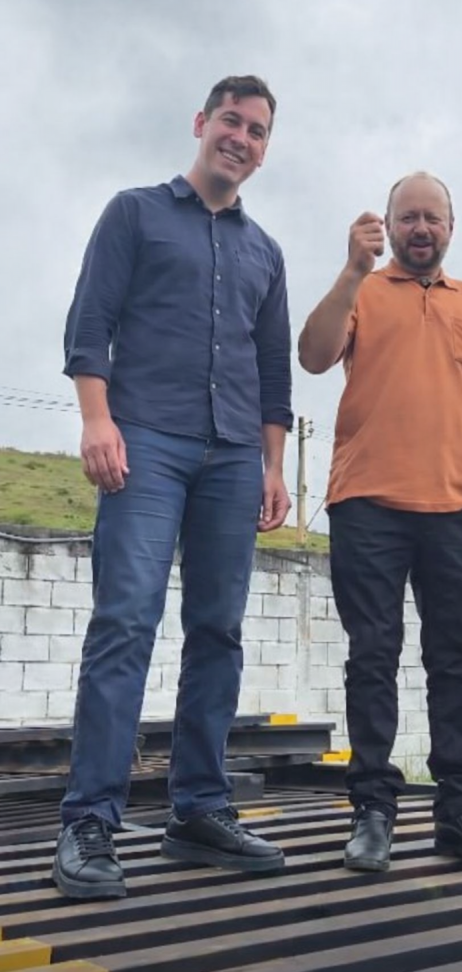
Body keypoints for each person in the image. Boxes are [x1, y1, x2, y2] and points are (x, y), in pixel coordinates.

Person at [54, 75, 293, 900]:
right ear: (201, 123)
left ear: (264, 149)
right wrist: (97, 421)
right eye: (231, 120)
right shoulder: (134, 213)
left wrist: (272, 466)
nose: (241, 138)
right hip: (146, 443)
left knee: (218, 630)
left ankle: (199, 811)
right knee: (125, 621)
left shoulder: (265, 252)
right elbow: (89, 325)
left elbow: (272, 373)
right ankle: (90, 820)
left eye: (256, 130)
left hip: (233, 457)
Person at [299, 172, 462, 873]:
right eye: (407, 217)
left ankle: (460, 812)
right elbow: (312, 356)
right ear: (389, 225)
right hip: (366, 503)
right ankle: (372, 811)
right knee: (372, 655)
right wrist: (351, 269)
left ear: (450, 227)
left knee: (454, 660)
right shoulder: (362, 291)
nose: (420, 228)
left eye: (432, 217)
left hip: (459, 509)